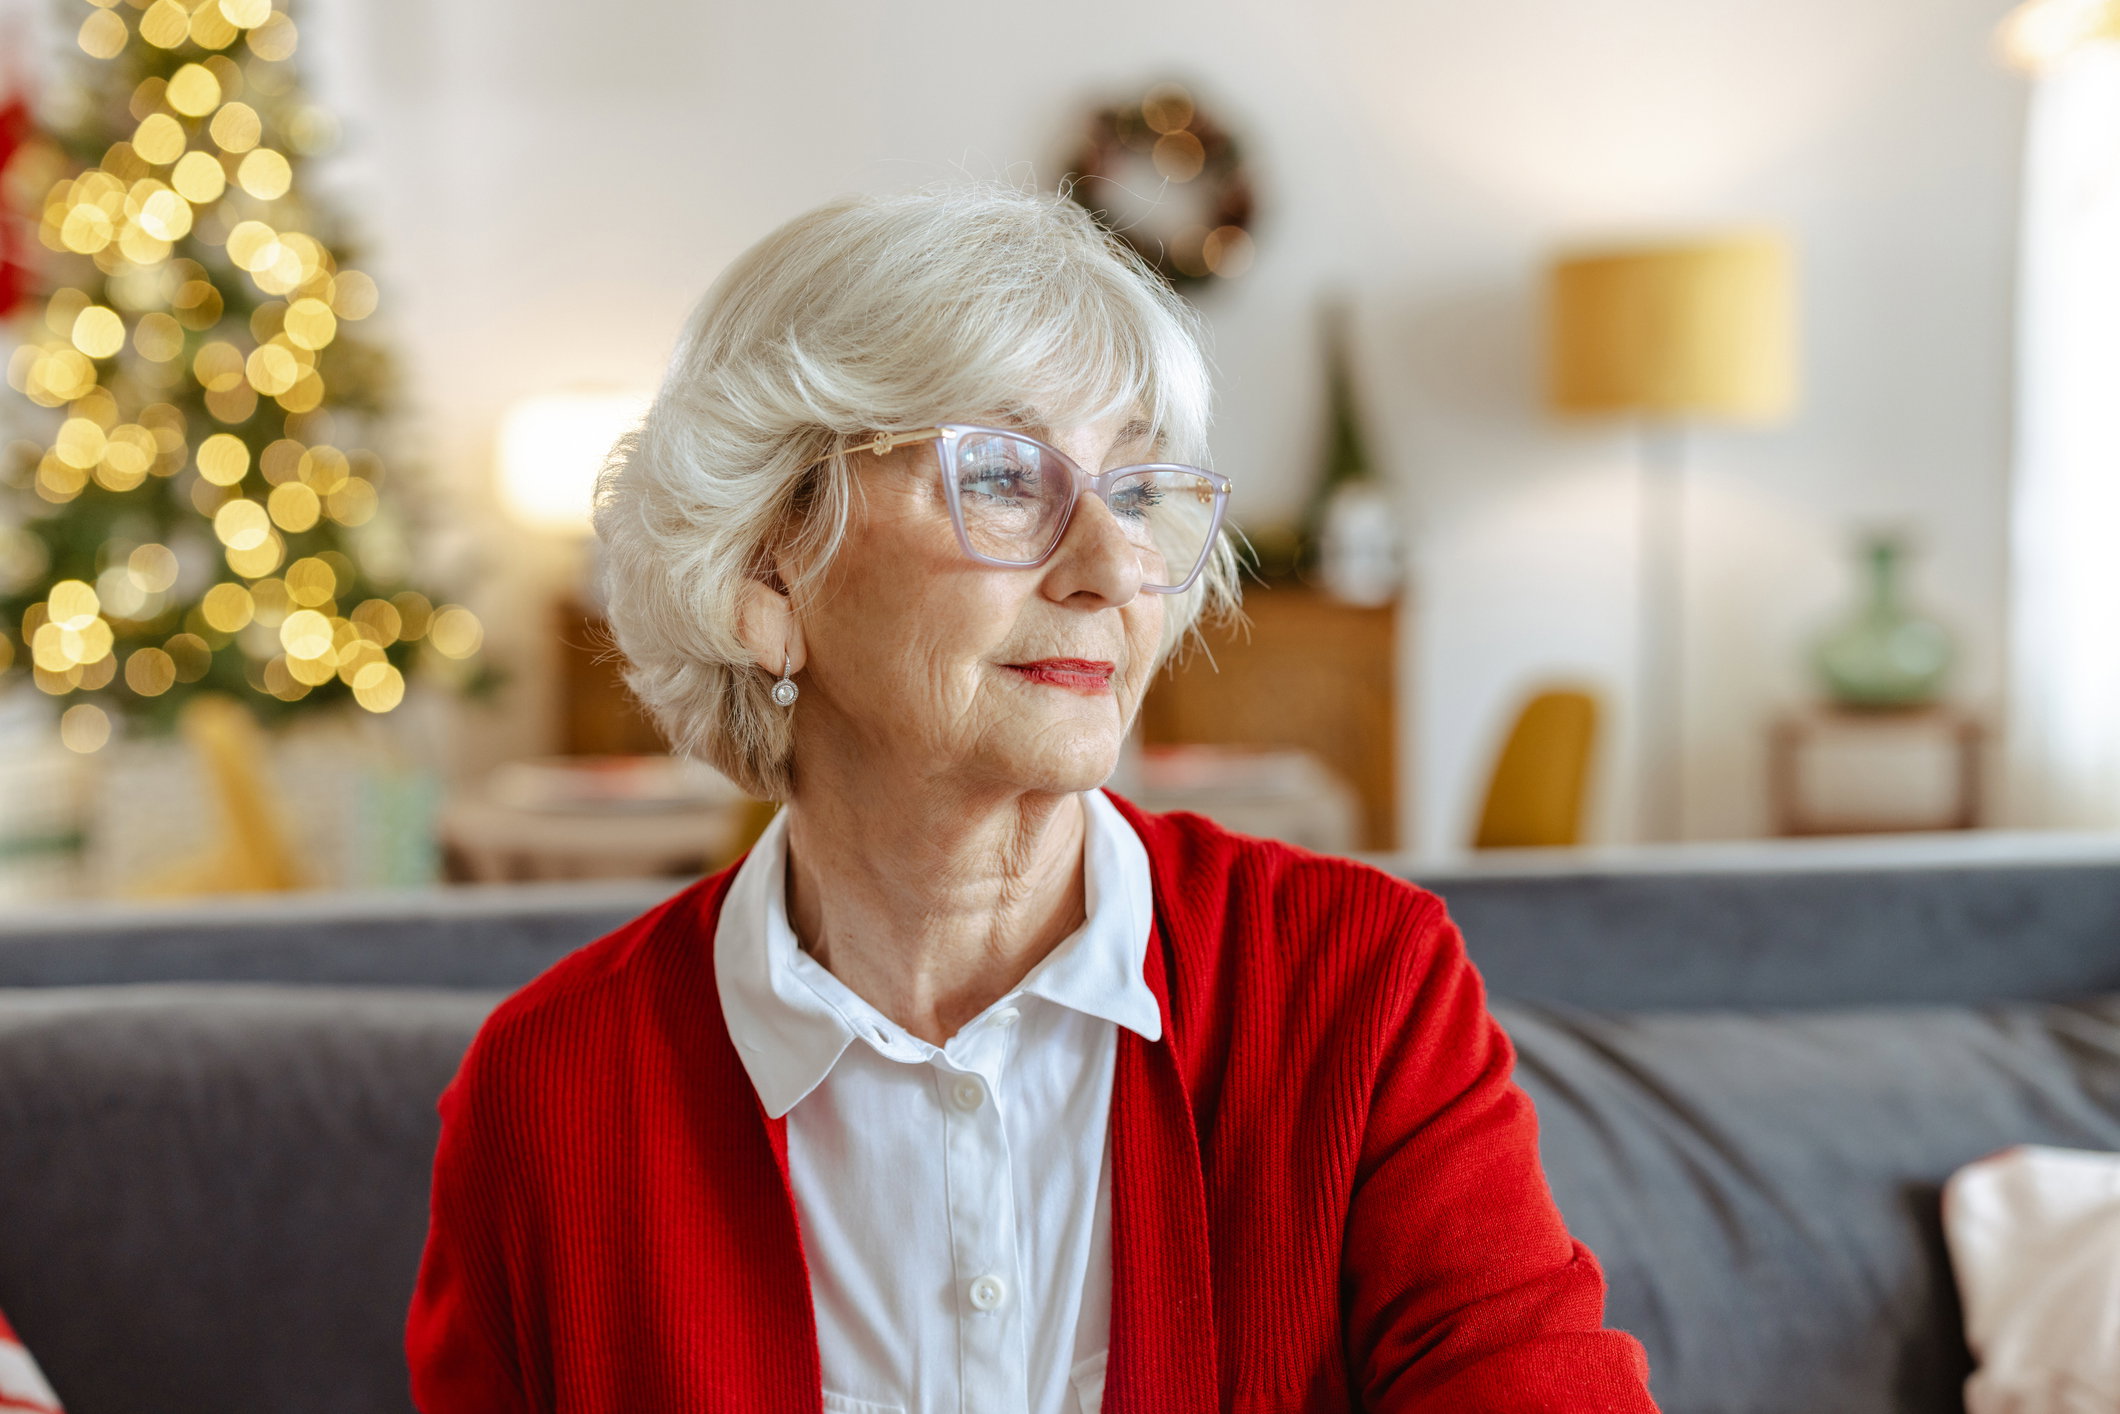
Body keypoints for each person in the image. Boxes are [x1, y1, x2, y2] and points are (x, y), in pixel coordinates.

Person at [406, 184, 1658, 1414]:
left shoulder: (1354, 987)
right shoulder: (547, 1095)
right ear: (765, 563)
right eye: (1004, 476)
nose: (1115, 566)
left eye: (1137, 490)